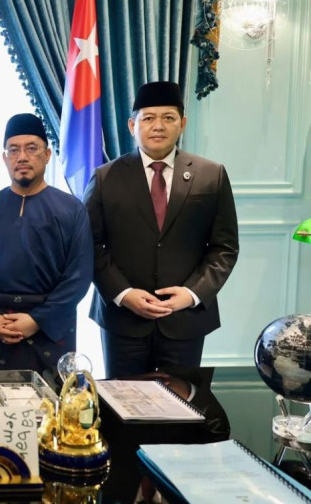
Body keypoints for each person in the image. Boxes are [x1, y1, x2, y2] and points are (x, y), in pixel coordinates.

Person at [83, 81, 239, 378]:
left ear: (182, 123)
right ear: (132, 125)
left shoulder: (211, 175)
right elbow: (89, 244)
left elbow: (225, 248)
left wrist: (192, 293)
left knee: (182, 401)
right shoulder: (105, 177)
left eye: (168, 117)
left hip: (185, 319)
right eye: (148, 118)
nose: (158, 126)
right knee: (122, 402)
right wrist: (124, 293)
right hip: (123, 320)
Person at [0, 113, 93, 388]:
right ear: (4, 158)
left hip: (51, 326)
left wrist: (36, 320)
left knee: (52, 407)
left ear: (47, 155)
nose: (22, 157)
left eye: (31, 148)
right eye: (13, 150)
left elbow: (79, 274)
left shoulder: (72, 210)